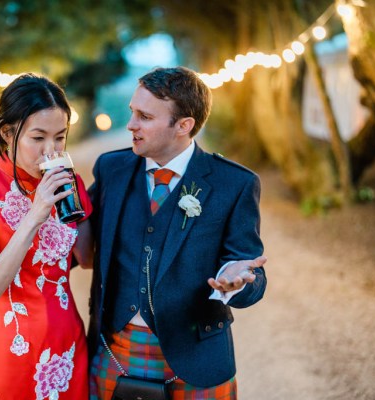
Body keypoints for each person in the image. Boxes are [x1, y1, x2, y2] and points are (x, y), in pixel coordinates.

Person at [87, 66, 267, 399]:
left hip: (196, 358)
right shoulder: (111, 169)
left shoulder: (234, 184)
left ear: (183, 125)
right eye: (132, 113)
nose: (131, 125)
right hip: (115, 350)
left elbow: (249, 270)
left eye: (144, 116)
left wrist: (237, 281)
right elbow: (74, 241)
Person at [0, 73, 93, 400]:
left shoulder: (68, 184)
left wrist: (82, 204)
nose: (50, 150)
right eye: (38, 137)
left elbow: (88, 260)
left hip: (67, 342)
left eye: (60, 137)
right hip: (13, 350)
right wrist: (36, 214)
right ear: (7, 132)